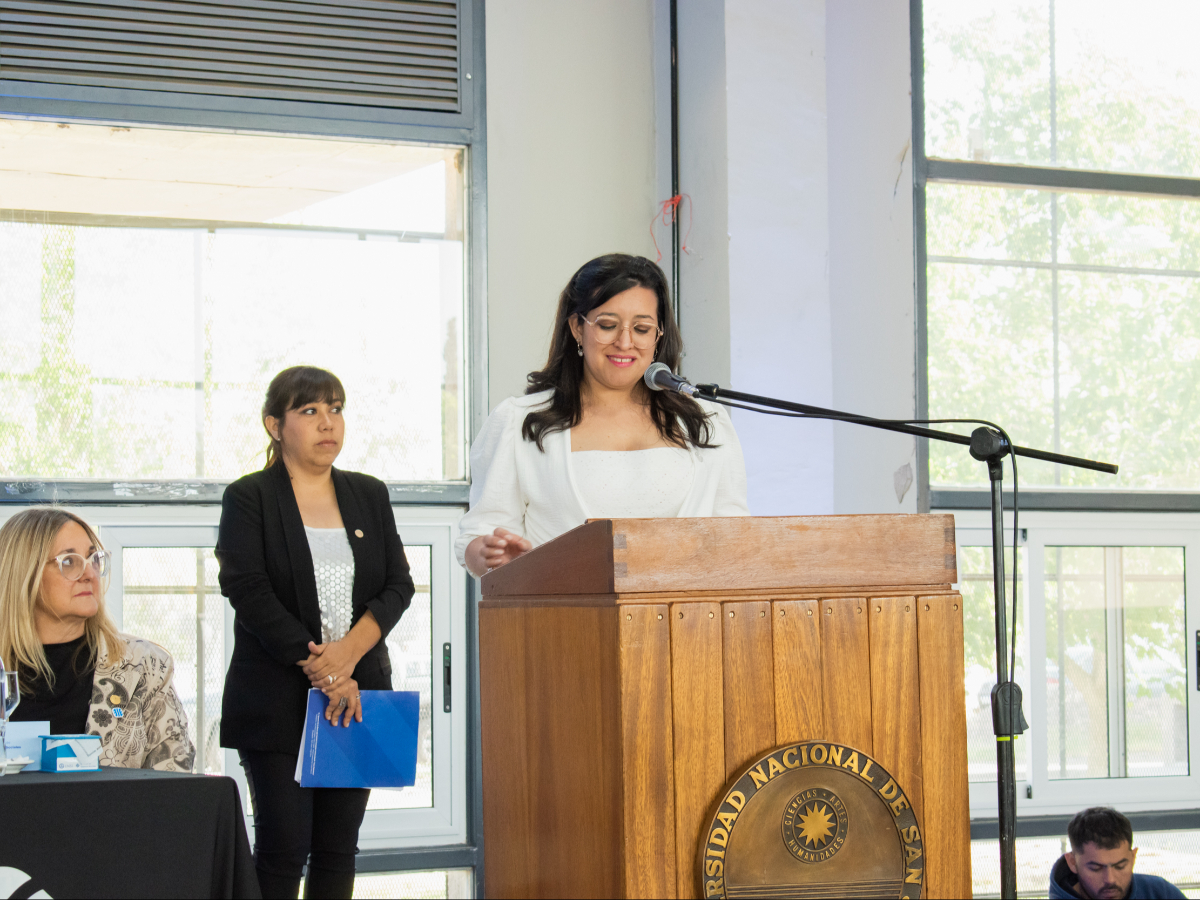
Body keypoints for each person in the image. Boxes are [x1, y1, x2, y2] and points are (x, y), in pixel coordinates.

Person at [217, 365, 416, 900]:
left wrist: (349, 656)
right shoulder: (249, 497)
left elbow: (398, 585)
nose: (328, 422)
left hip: (358, 695)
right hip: (278, 698)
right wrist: (325, 671)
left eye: (335, 408)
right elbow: (248, 590)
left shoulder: (368, 494)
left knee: (337, 850)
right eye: (309, 411)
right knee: (284, 849)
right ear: (274, 425)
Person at [457, 253, 748, 576]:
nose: (625, 342)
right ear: (577, 328)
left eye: (641, 328)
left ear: (659, 335)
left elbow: (736, 538)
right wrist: (488, 555)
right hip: (566, 620)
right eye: (608, 325)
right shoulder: (520, 422)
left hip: (686, 623)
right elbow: (478, 537)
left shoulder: (706, 422)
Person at [0, 508, 195, 771]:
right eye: (69, 561)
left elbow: (177, 780)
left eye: (94, 559)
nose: (89, 573)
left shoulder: (144, 667)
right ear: (24, 574)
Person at [1049, 806, 1186, 899]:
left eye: (1120, 866)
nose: (1110, 879)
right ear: (1072, 862)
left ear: (1133, 857)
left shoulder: (1159, 892)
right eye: (1096, 868)